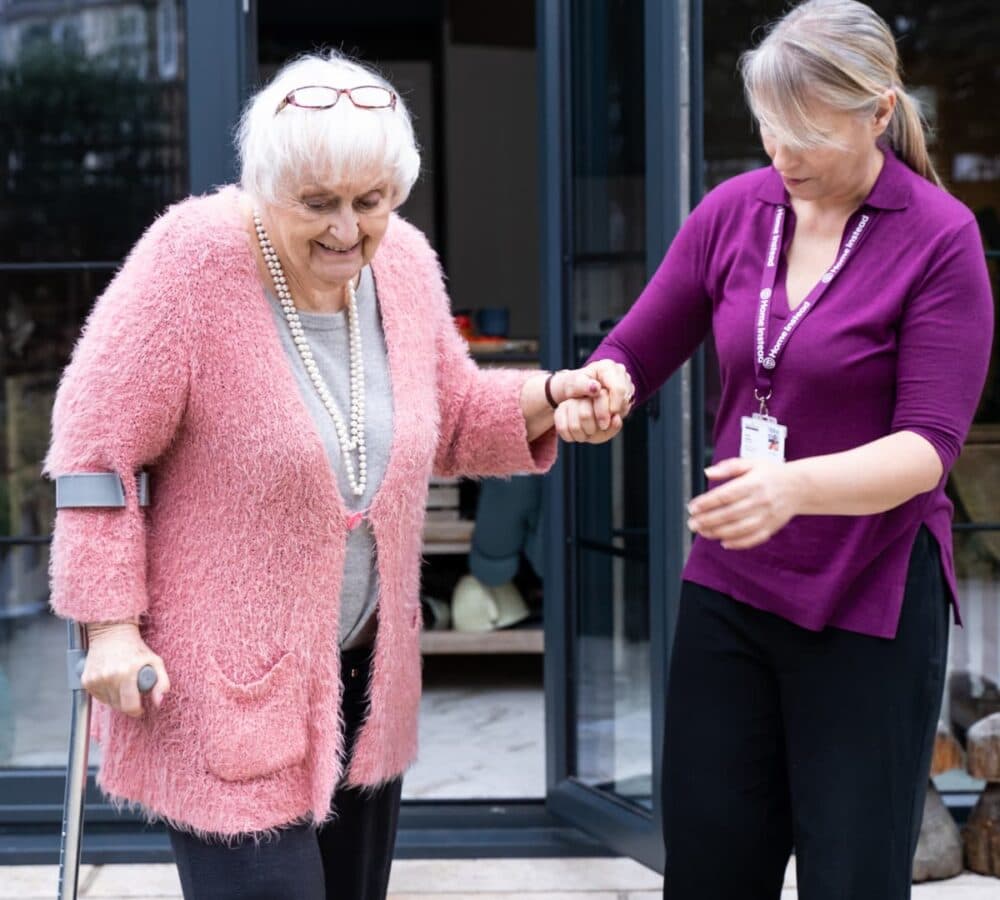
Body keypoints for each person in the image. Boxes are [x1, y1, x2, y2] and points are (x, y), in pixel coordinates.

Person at [45, 51, 631, 900]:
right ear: (260, 185)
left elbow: (456, 416)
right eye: (317, 204)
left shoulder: (402, 267)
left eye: (372, 202)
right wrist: (109, 627)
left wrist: (549, 396)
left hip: (363, 679)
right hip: (222, 682)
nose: (348, 230)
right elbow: (95, 450)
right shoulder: (190, 262)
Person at [554, 2, 994, 897]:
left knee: (852, 877)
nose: (781, 156)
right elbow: (636, 347)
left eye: (807, 135)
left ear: (877, 113)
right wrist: (601, 389)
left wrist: (791, 488)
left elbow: (928, 449)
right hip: (734, 587)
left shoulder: (940, 239)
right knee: (713, 870)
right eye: (767, 130)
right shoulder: (733, 212)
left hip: (870, 593)